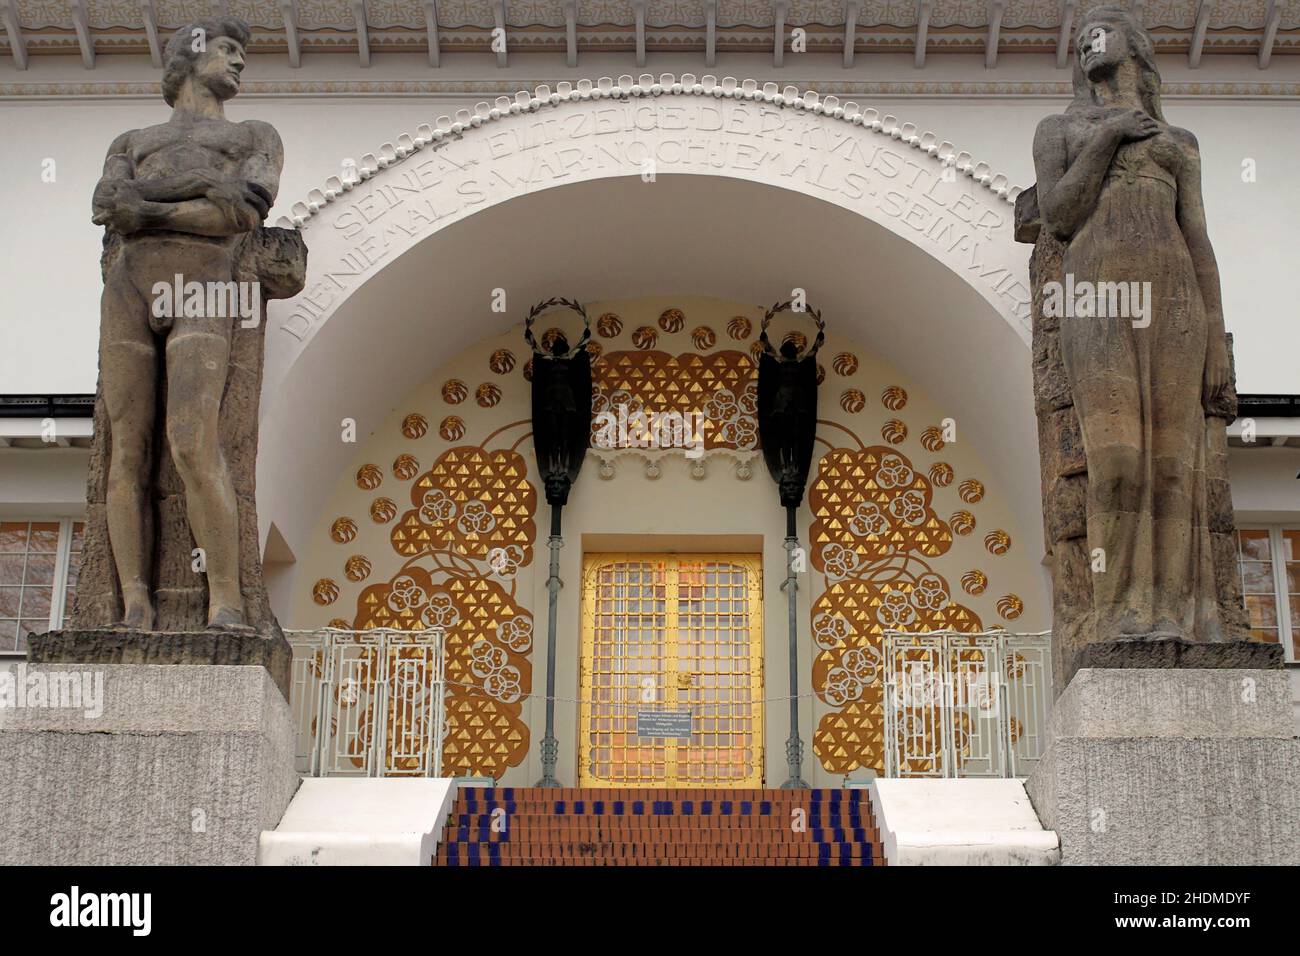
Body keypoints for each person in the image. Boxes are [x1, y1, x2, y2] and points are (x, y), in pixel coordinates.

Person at [1031, 6, 1229, 640]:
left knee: (1175, 461)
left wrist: (1216, 338)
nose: (1092, 39)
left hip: (1176, 301)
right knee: (1115, 459)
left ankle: (1175, 612)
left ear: (1135, 47)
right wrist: (1110, 136)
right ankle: (1119, 613)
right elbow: (1060, 213)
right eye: (1082, 35)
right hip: (1098, 299)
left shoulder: (1180, 143)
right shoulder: (1059, 129)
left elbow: (1197, 239)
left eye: (1105, 27)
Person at [91, 18, 282, 629]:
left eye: (241, 52)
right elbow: (106, 208)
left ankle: (224, 596)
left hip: (205, 283)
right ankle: (134, 599)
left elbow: (240, 213)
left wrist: (147, 206)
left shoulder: (255, 134)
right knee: (129, 449)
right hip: (129, 287)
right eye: (228, 49)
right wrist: (201, 184)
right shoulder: (130, 139)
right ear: (191, 56)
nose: (240, 62)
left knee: (192, 441)